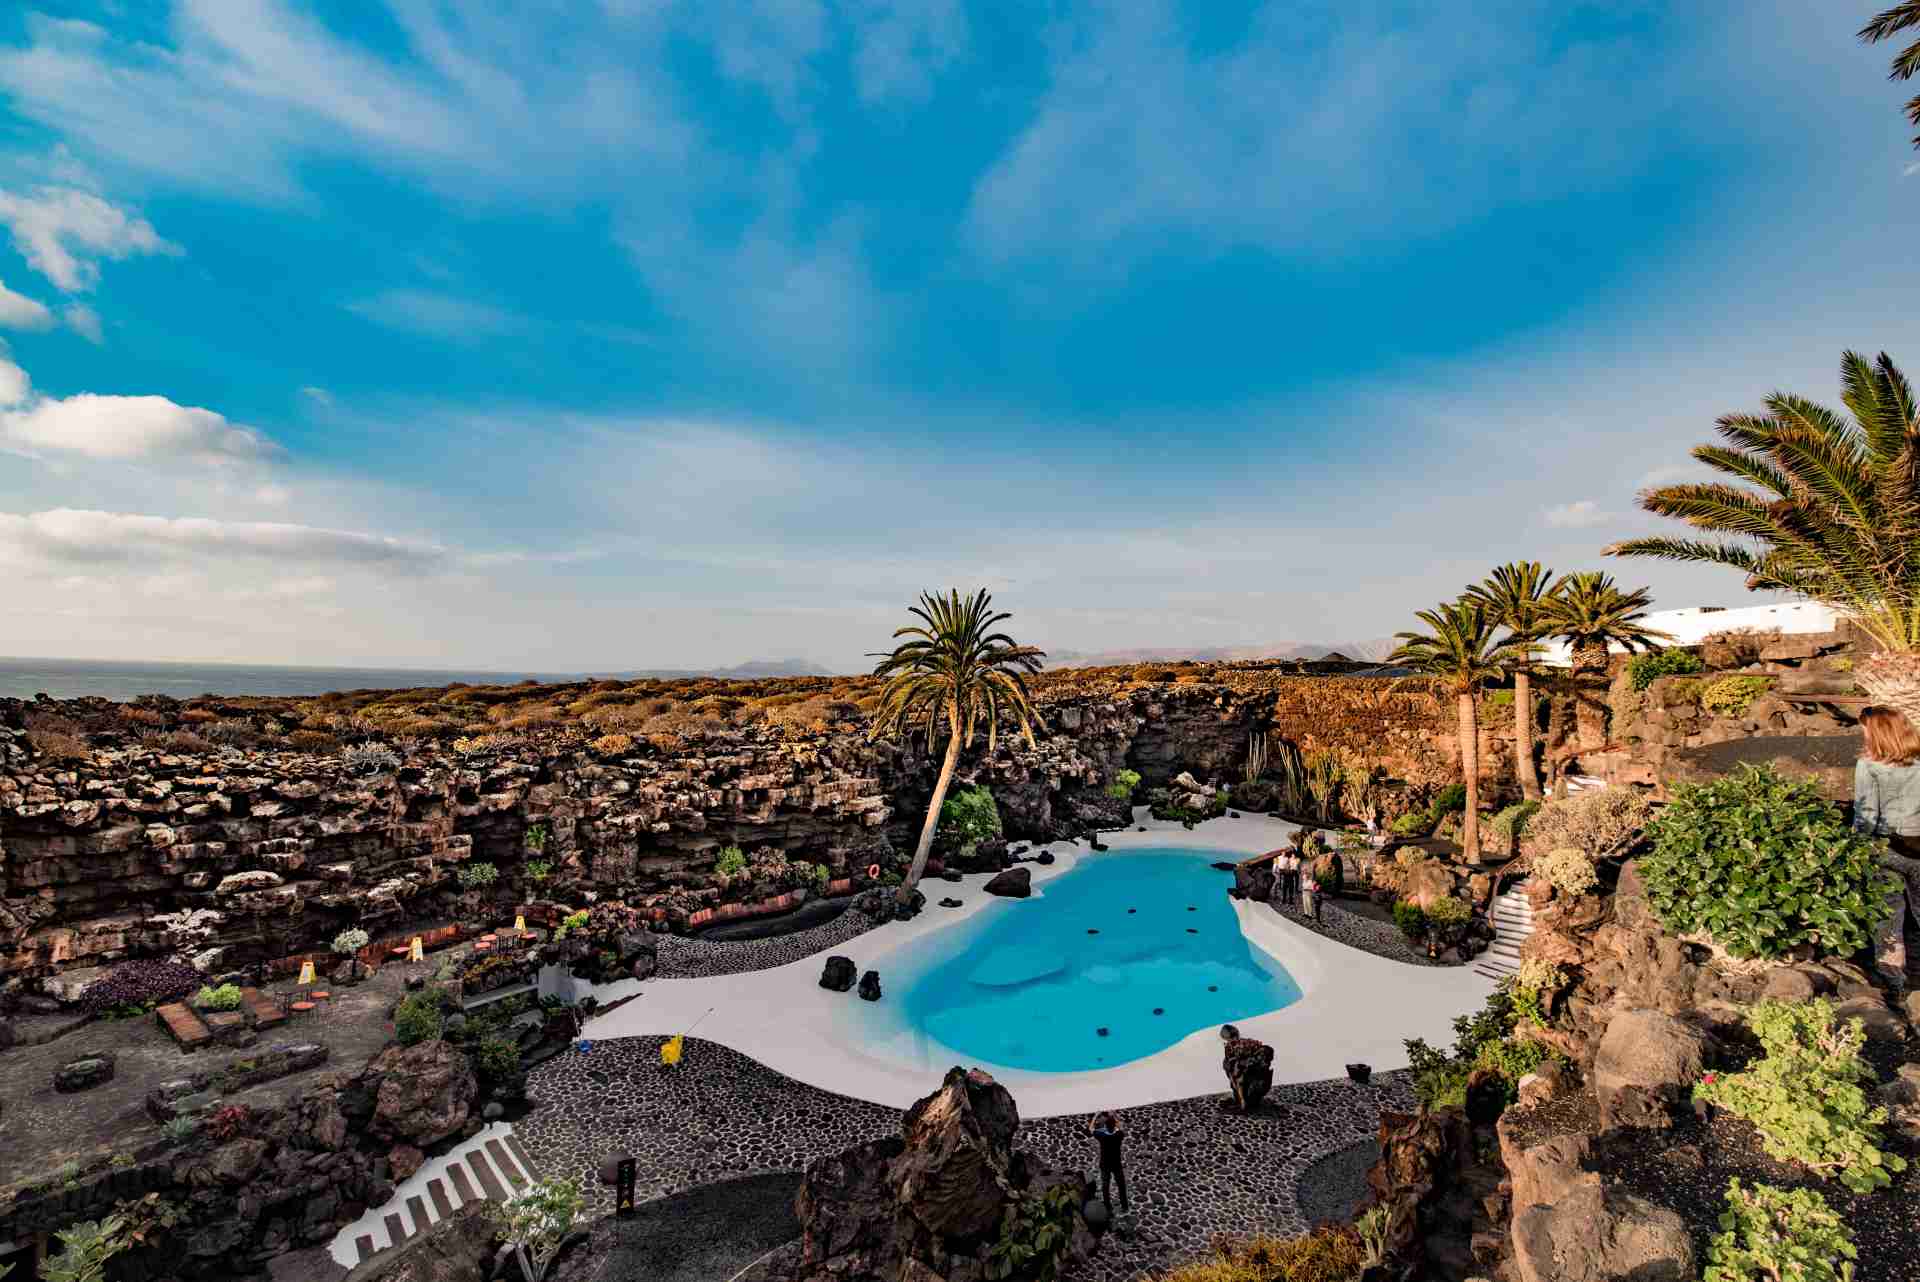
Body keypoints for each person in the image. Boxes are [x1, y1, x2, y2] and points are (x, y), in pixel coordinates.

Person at [1856, 706, 1920, 985]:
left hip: (1887, 847)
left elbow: (1866, 814)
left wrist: (1856, 849)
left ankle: (1893, 981)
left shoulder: (1869, 765)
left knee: (1887, 916)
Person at [1088, 1111, 1129, 1214]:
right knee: (1121, 1186)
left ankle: (1108, 1207)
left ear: (1105, 1126)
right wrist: (1115, 1115)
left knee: (1105, 1187)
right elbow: (1121, 1127)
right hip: (1116, 1165)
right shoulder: (1119, 1135)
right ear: (1114, 1125)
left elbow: (1091, 1129)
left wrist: (1095, 1116)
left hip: (1105, 1165)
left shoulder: (1102, 1136)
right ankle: (1124, 1206)